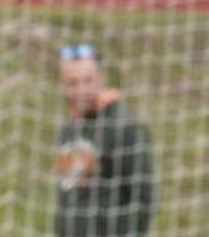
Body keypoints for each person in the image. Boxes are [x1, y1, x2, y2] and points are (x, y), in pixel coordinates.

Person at [55, 44, 155, 236]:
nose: (80, 90)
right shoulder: (67, 130)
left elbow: (144, 196)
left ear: (100, 79)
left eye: (87, 81)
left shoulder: (124, 125)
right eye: (72, 83)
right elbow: (66, 195)